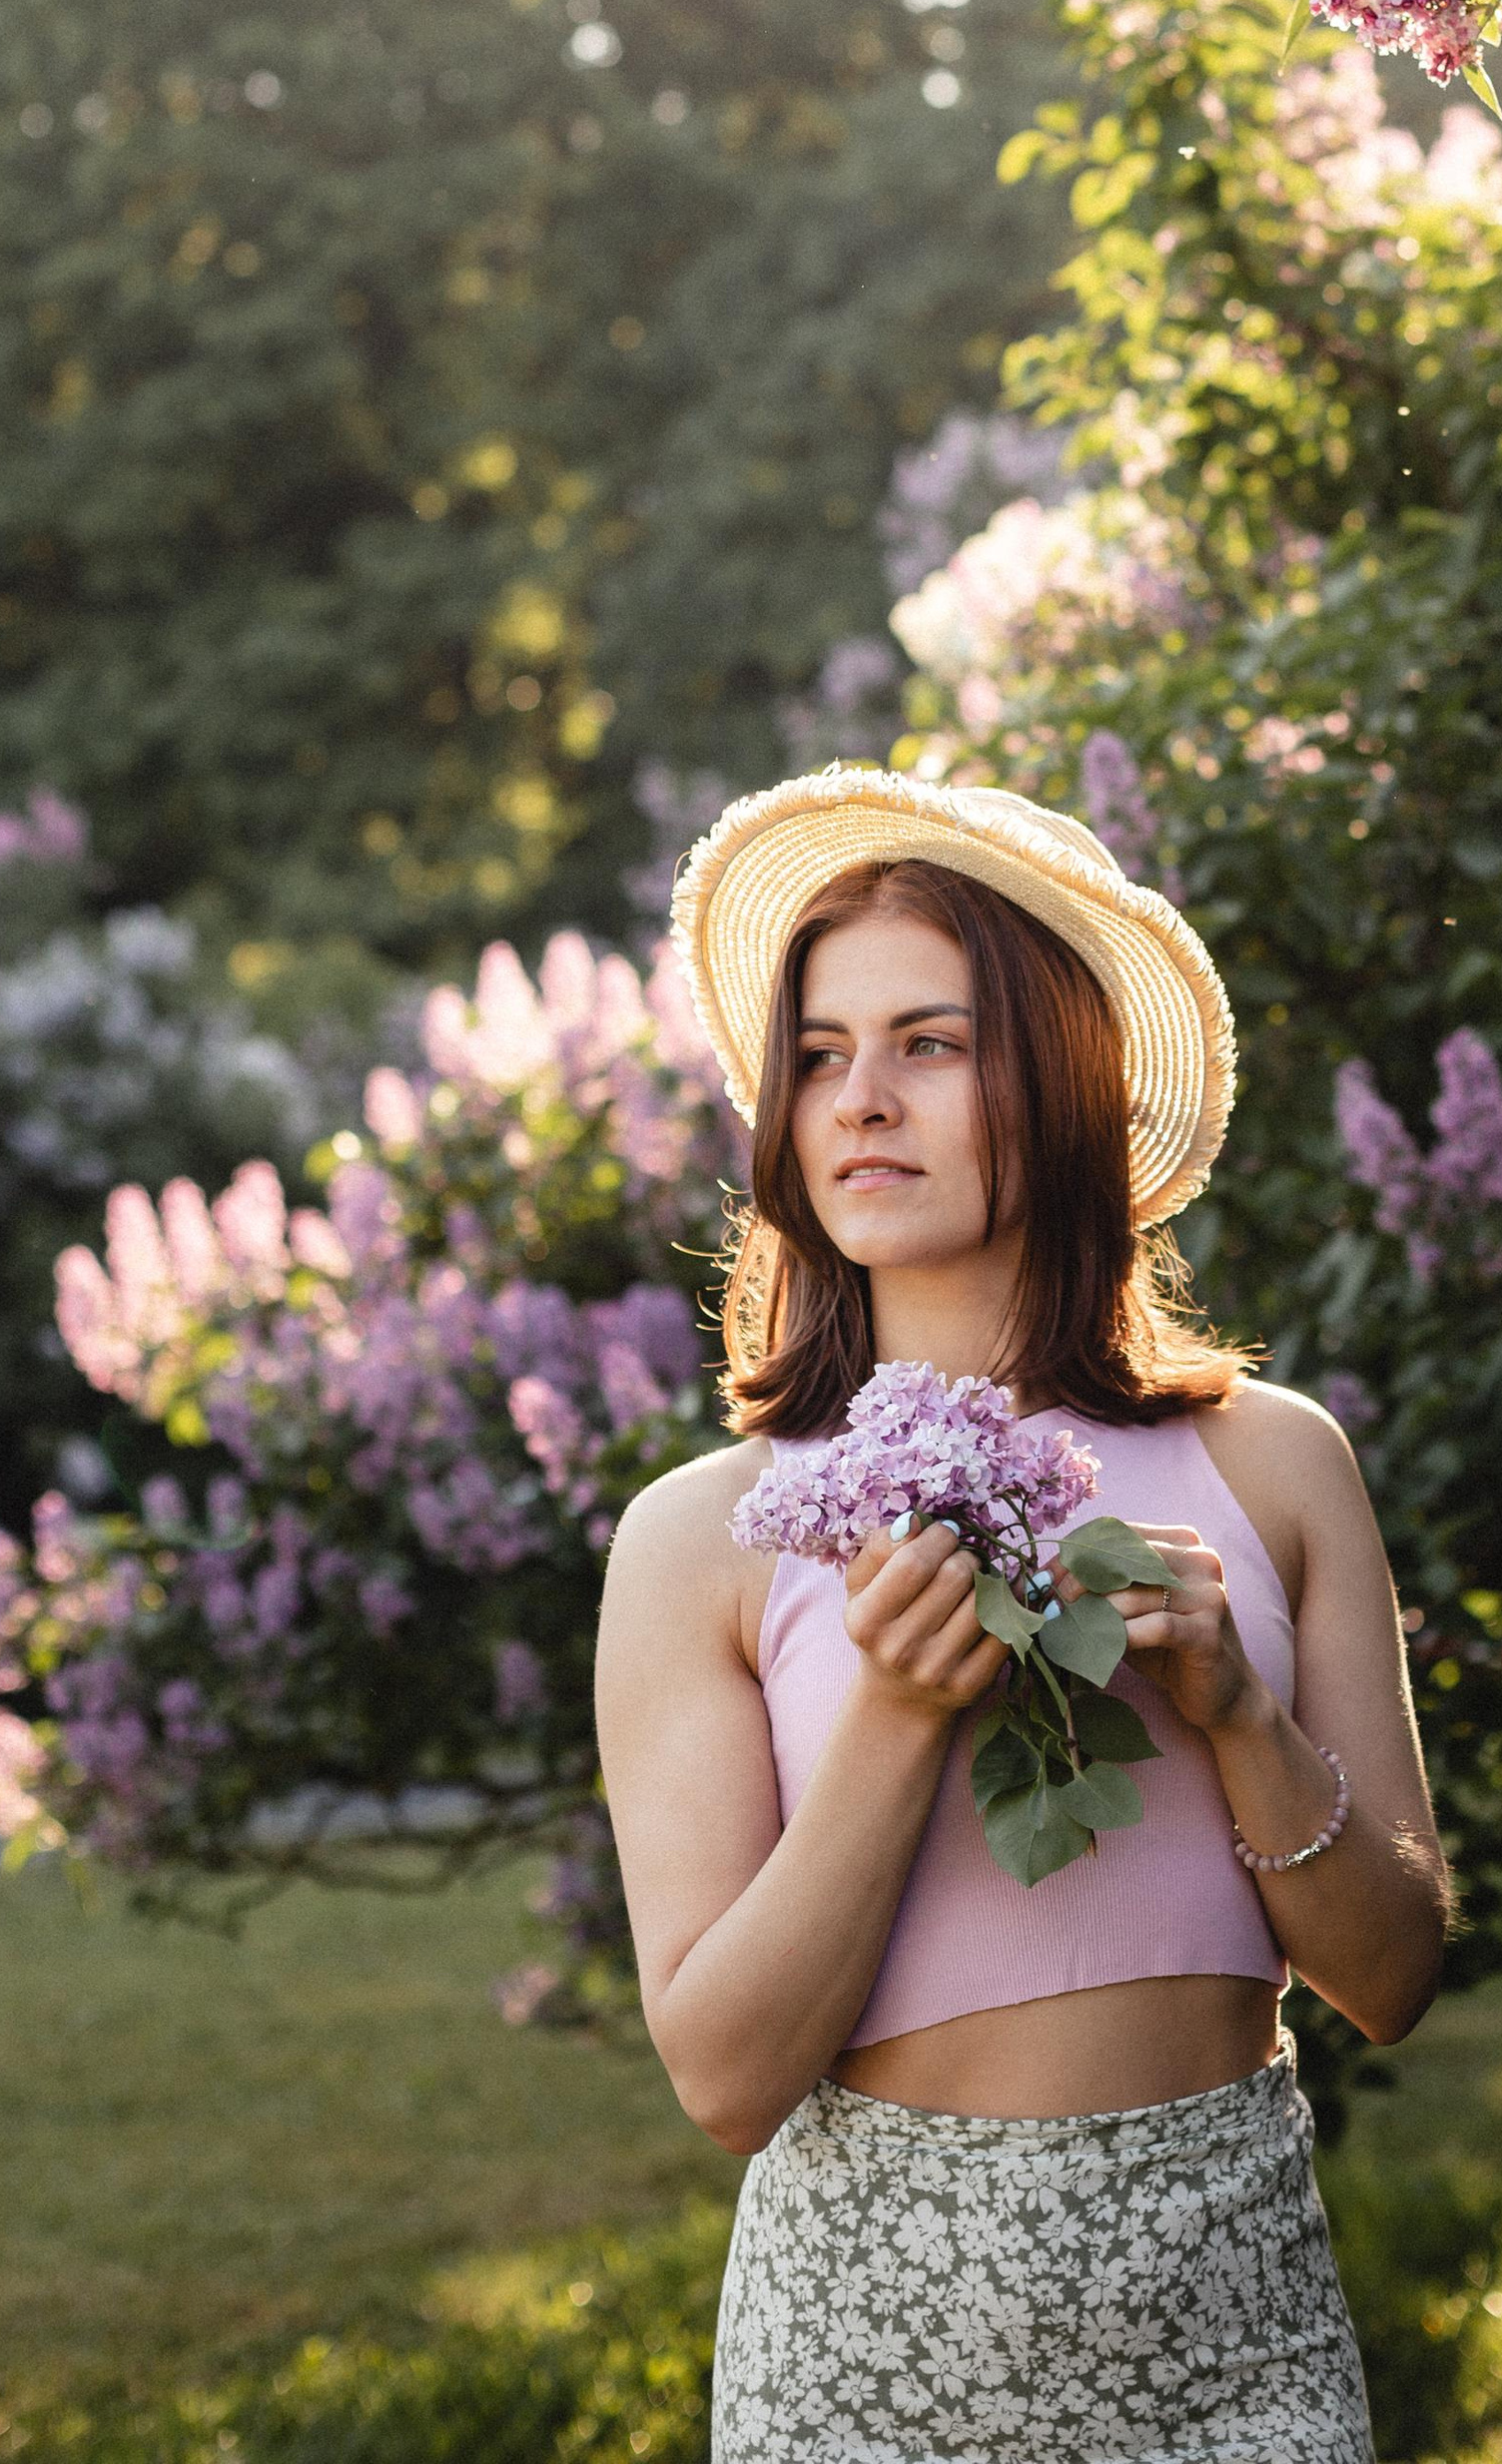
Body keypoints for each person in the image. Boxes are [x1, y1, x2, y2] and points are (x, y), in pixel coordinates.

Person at [596, 766, 1451, 2464]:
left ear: (1060, 1079)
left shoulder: (1274, 1466)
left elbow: (1395, 1973)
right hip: (865, 2350)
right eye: (823, 1056)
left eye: (931, 1042)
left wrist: (1239, 1721)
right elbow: (726, 2079)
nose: (860, 1101)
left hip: (1237, 2334)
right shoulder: (711, 1536)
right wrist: (901, 1721)